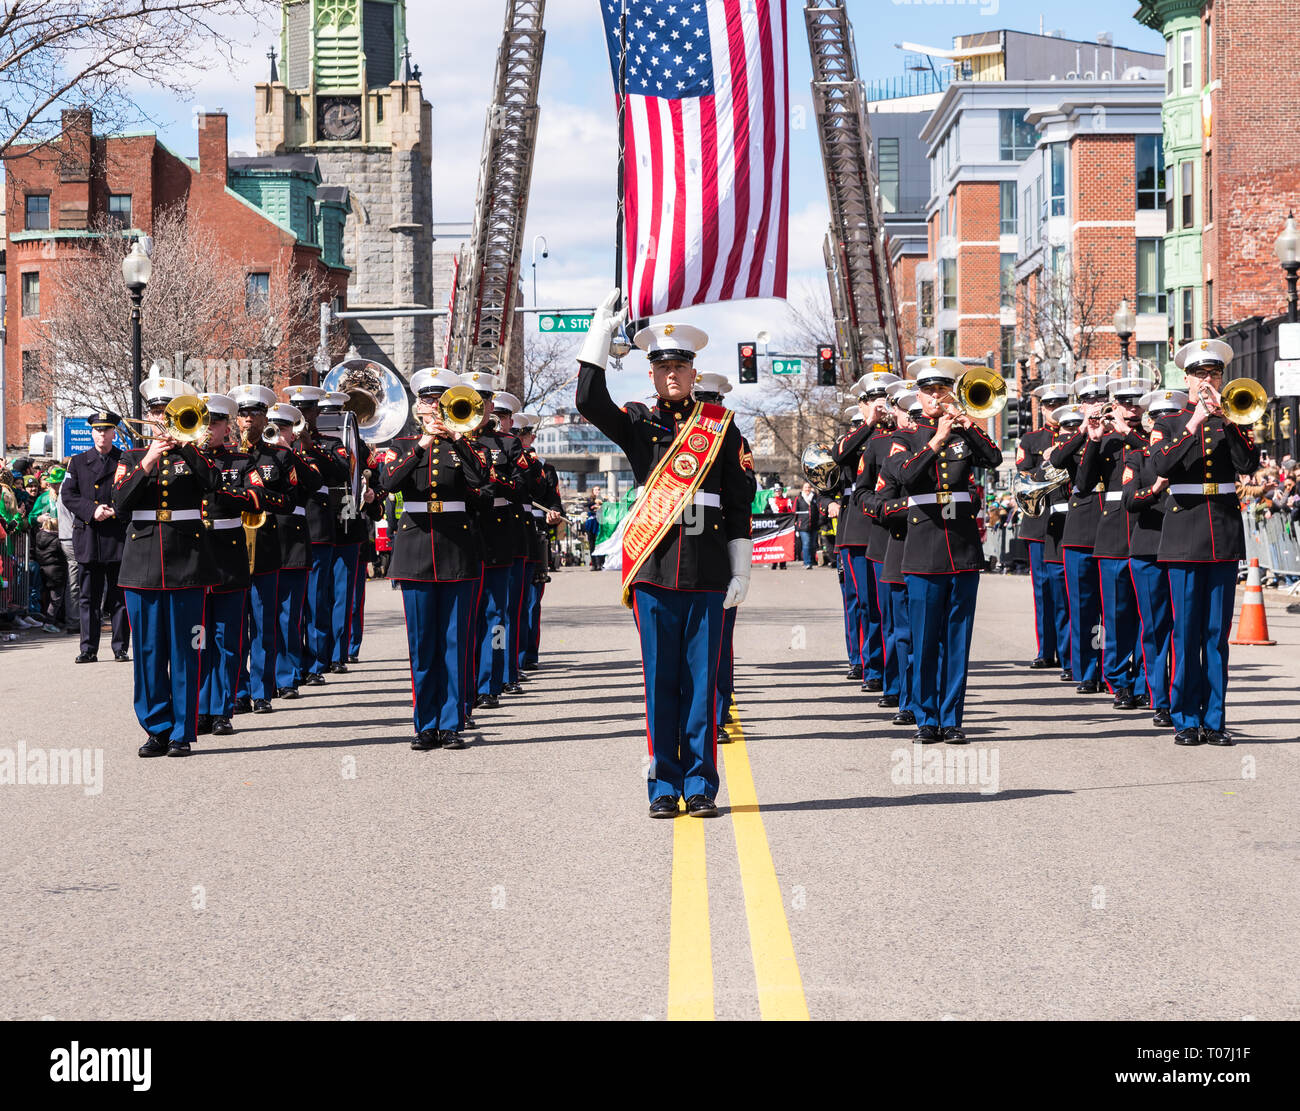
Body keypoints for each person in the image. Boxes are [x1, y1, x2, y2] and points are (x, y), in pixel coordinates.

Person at [575, 291, 752, 818]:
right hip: (654, 570)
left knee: (701, 685)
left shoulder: (720, 427)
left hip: (707, 571)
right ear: (651, 376)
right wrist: (597, 338)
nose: (672, 374)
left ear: (694, 373)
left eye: (680, 366)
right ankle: (662, 785)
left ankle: (700, 785)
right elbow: (589, 402)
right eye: (663, 367)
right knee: (660, 684)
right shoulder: (639, 423)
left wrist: (741, 568)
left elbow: (739, 504)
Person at [1153, 339, 1260, 746]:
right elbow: (1162, 465)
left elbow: (1248, 464)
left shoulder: (1233, 420)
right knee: (1186, 633)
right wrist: (1194, 420)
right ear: (1186, 378)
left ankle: (1214, 720)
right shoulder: (1169, 422)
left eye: (1213, 374)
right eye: (1200, 374)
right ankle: (1184, 719)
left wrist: (1228, 420)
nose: (1207, 381)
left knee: (1215, 635)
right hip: (1184, 533)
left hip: (1223, 532)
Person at [379, 368, 493, 749]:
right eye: (428, 400)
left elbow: (481, 480)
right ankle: (424, 724)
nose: (435, 407)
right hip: (414, 551)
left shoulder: (469, 446)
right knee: (422, 644)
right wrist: (422, 446)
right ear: (418, 407)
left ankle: (451, 723)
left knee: (455, 642)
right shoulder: (401, 445)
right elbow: (389, 483)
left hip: (457, 550)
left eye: (441, 400)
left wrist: (458, 439)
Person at [890, 356, 1002, 744]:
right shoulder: (905, 434)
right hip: (923, 545)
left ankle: (952, 717)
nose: (936, 397)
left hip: (962, 545)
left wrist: (968, 426)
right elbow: (904, 476)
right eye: (928, 390)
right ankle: (926, 717)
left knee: (958, 638)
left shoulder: (963, 432)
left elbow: (994, 459)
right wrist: (936, 438)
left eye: (942, 390)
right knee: (923, 639)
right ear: (918, 395)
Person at [113, 375, 221, 757]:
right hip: (142, 565)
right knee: (147, 652)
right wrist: (147, 460)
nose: (160, 418)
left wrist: (186, 447)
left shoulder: (195, 457)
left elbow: (213, 482)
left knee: (187, 649)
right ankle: (155, 728)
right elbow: (121, 502)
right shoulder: (130, 458)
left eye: (166, 413)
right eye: (155, 412)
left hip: (187, 564)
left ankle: (182, 731)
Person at [194, 393, 287, 737]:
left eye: (215, 422)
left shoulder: (239, 461)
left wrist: (221, 489)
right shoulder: (185, 459)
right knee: (197, 638)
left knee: (226, 639)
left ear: (225, 426)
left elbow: (257, 497)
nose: (207, 428)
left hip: (229, 554)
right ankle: (199, 707)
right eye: (203, 421)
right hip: (193, 556)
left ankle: (222, 708)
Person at [1077, 375, 1152, 711]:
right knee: (1117, 616)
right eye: (1124, 403)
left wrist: (1129, 435)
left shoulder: (1151, 437)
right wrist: (1094, 441)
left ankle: (1147, 682)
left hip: (1147, 533)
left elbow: (1159, 459)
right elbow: (1082, 484)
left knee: (1147, 615)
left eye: (1136, 402)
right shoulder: (1105, 442)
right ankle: (1119, 681)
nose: (1130, 408)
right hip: (1112, 538)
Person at [693, 371, 757, 745]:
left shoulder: (735, 438)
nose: (709, 408)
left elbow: (745, 490)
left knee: (718, 640)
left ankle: (717, 713)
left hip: (717, 545)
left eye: (714, 401)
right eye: (703, 400)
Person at [1123, 388, 1187, 730]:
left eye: (1172, 415)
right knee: (1154, 629)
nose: (1166, 422)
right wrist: (1157, 488)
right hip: (1148, 549)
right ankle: (1159, 700)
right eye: (1159, 417)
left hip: (1182, 548)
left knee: (1183, 629)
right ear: (1149, 423)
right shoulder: (1139, 458)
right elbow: (1130, 501)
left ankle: (1181, 698)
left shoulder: (1189, 453)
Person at [284, 383, 351, 687]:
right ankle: (291, 664)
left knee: (316, 598)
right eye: (298, 409)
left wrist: (311, 446)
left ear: (316, 412)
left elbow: (340, 473)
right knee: (291, 604)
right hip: (288, 529)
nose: (303, 415)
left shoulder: (330, 442)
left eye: (308, 410)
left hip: (319, 527)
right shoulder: (281, 442)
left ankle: (316, 661)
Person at [863, 381, 922, 726]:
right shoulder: (879, 445)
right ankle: (900, 690)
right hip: (892, 543)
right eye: (906, 410)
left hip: (935, 547)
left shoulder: (943, 442)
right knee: (897, 628)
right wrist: (895, 510)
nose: (913, 418)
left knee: (927, 631)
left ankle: (923, 698)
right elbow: (864, 496)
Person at [1049, 375, 1112, 696]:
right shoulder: (1074, 433)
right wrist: (1084, 433)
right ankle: (1086, 668)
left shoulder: (1117, 433)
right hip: (1081, 524)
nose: (1095, 405)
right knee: (1083, 605)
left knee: (1112, 606)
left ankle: (1111, 667)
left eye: (1100, 400)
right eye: (1089, 401)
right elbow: (1058, 460)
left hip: (1113, 524)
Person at [829, 379, 895, 689]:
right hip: (857, 526)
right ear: (863, 404)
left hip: (890, 522)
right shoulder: (856, 435)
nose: (880, 405)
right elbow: (839, 455)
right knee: (866, 601)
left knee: (890, 604)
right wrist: (868, 424)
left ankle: (892, 668)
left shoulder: (900, 434)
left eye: (885, 399)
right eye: (874, 399)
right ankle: (871, 666)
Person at [229, 383, 289, 714]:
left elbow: (290, 500)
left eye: (254, 413)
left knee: (264, 625)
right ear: (235, 421)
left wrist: (261, 496)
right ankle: (237, 691)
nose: (248, 419)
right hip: (232, 550)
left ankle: (261, 690)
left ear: (265, 416)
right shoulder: (225, 456)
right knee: (234, 625)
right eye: (243, 414)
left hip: (265, 548)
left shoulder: (278, 457)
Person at [61, 411, 130, 663]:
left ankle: (120, 647)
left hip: (116, 536)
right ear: (92, 433)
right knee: (88, 597)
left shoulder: (124, 459)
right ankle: (88, 648)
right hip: (89, 536)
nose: (102, 434)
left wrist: (114, 508)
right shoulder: (78, 462)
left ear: (114, 433)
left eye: (107, 429)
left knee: (118, 597)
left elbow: (131, 493)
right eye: (98, 430)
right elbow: (68, 495)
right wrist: (92, 510)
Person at [1015, 381, 1070, 670]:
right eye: (1049, 404)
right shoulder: (1032, 439)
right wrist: (1049, 466)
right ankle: (1046, 649)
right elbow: (1024, 478)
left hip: (1069, 518)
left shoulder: (1075, 433)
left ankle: (1069, 652)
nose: (1054, 409)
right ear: (1041, 408)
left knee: (1068, 591)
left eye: (1060, 403)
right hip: (1039, 521)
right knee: (1043, 588)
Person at [794, 481, 819, 569]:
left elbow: (818, 510)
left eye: (808, 487)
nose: (807, 489)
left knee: (813, 544)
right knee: (806, 543)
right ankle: (807, 562)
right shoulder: (799, 498)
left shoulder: (815, 497)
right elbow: (795, 513)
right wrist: (796, 527)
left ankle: (812, 561)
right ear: (802, 489)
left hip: (814, 525)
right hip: (803, 526)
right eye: (805, 487)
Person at [769, 482, 793, 569]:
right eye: (776, 490)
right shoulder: (770, 501)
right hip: (774, 526)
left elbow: (790, 513)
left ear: (782, 491)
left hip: (784, 526)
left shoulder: (787, 501)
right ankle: (774, 563)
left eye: (779, 490)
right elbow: (766, 512)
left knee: (784, 545)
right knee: (774, 544)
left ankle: (783, 564)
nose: (778, 492)